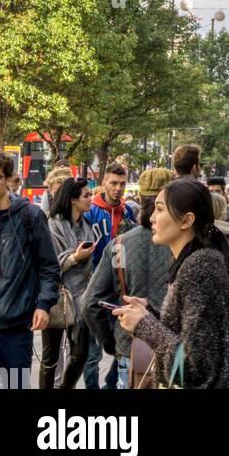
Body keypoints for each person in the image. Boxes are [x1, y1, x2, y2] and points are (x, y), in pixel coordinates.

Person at [115, 179, 229, 389]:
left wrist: (144, 325)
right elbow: (193, 334)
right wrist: (150, 314)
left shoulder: (200, 268)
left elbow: (195, 366)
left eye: (160, 210)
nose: (151, 218)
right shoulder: (196, 262)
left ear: (186, 220)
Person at [81, 167, 173, 389]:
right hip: (174, 347)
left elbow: (89, 304)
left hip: (130, 345)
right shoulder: (183, 245)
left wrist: (110, 340)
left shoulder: (120, 245)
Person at [0, 145, 59, 388]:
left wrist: (43, 304)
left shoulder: (29, 216)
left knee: (14, 386)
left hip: (16, 330)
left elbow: (49, 267)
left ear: (7, 179)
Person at [83, 161, 137, 389]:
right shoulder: (91, 211)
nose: (118, 188)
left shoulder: (128, 211)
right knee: (92, 350)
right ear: (104, 182)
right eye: (113, 183)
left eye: (122, 184)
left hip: (121, 286)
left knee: (125, 343)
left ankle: (110, 383)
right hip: (96, 282)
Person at [40, 176, 97, 389]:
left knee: (80, 355)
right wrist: (75, 257)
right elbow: (50, 262)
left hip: (82, 296)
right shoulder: (53, 225)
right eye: (86, 195)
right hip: (56, 296)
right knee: (50, 357)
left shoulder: (86, 225)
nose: (91, 199)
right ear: (73, 199)